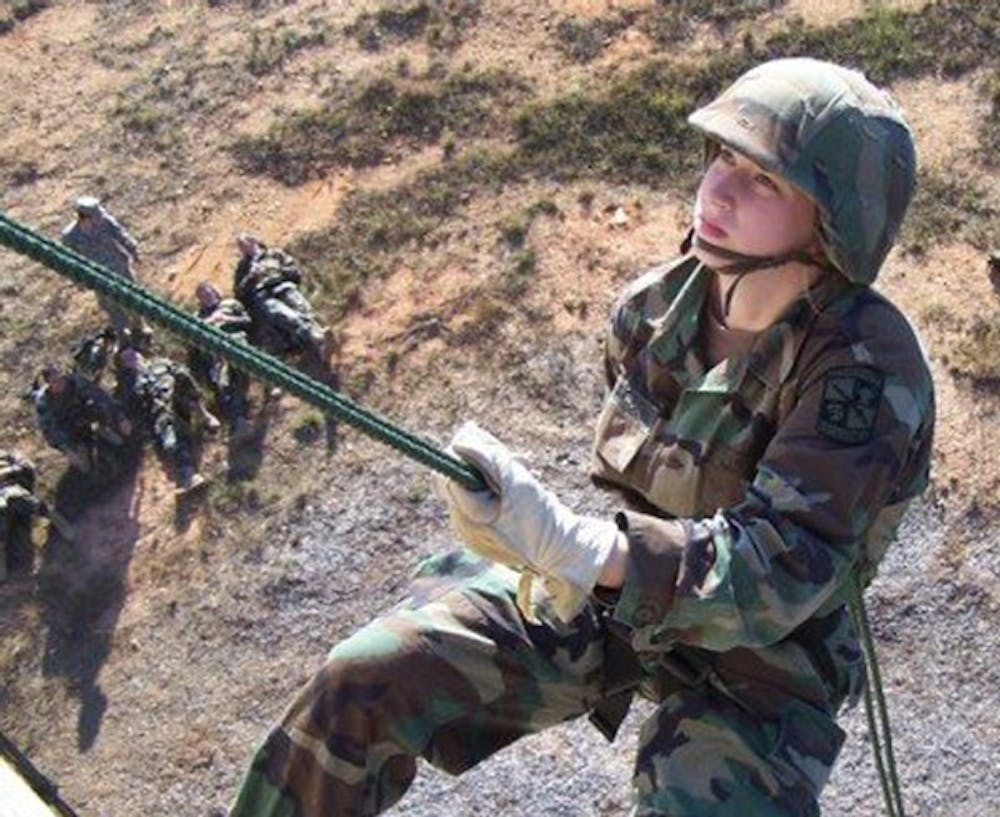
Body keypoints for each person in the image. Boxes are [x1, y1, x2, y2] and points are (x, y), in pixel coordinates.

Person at [228, 58, 935, 817]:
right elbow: (627, 504)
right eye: (723, 157)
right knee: (365, 677)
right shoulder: (654, 311)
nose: (718, 190)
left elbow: (777, 577)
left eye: (763, 180)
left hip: (765, 662)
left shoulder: (864, 373)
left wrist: (578, 546)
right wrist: (560, 547)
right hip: (616, 601)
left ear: (834, 227)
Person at [115, 347, 220, 495]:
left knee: (182, 375)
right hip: (162, 415)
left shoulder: (160, 363)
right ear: (124, 366)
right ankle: (189, 475)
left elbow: (181, 370)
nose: (132, 358)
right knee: (171, 441)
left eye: (132, 354)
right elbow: (135, 413)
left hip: (180, 400)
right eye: (126, 359)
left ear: (140, 354)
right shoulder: (129, 387)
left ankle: (205, 416)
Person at [232, 233, 329, 365]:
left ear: (253, 240)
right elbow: (239, 293)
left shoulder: (274, 254)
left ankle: (311, 338)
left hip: (282, 285)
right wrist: (250, 277)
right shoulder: (243, 267)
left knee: (300, 305)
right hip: (263, 294)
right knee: (283, 314)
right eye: (240, 247)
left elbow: (294, 271)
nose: (243, 248)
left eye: (244, 244)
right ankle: (312, 336)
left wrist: (278, 273)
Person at [60, 196, 143, 333]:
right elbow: (70, 262)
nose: (99, 218)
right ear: (84, 217)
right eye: (95, 216)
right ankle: (123, 334)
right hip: (98, 277)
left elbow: (121, 234)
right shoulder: (70, 237)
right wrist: (78, 281)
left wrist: (133, 250)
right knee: (111, 306)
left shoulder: (106, 222)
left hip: (119, 267)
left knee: (132, 298)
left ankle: (139, 326)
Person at [29, 365, 132, 475]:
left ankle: (117, 441)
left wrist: (120, 417)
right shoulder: (44, 402)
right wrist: (67, 449)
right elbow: (49, 430)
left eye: (60, 378)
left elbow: (100, 396)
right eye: (54, 381)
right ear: (48, 384)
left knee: (118, 435)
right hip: (68, 426)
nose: (60, 383)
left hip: (85, 412)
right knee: (85, 467)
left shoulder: (76, 381)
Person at [189, 281, 255, 442]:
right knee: (221, 385)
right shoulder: (197, 317)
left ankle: (239, 420)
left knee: (237, 372)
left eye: (208, 293)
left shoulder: (230, 304)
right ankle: (239, 421)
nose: (206, 297)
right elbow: (192, 345)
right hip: (214, 352)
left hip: (235, 342)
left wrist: (227, 319)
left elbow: (248, 322)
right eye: (202, 296)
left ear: (215, 292)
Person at [0, 451, 72, 582]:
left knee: (18, 498)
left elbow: (26, 466)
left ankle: (59, 523)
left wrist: (8, 473)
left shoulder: (5, 455)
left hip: (11, 486)